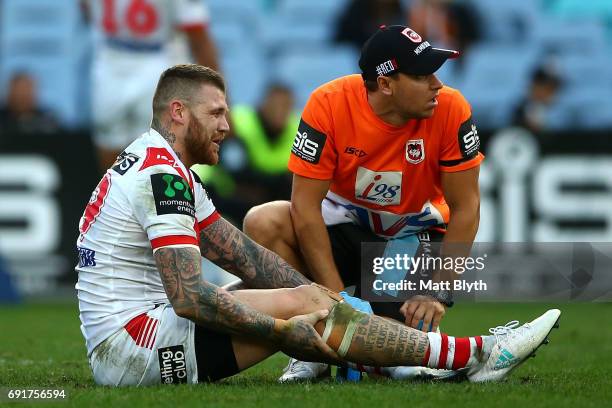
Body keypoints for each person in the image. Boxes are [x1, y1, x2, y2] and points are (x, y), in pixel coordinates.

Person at [75, 63, 559, 386]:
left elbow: (247, 257)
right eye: (216, 113)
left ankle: (422, 359)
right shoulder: (162, 176)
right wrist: (283, 329)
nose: (228, 125)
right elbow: (189, 297)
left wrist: (331, 302)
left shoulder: (162, 165)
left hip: (137, 340)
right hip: (135, 352)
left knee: (311, 300)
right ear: (178, 113)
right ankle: (474, 355)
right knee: (305, 306)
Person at [243, 25, 483, 381]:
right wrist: (336, 302)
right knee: (262, 222)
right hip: (343, 229)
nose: (437, 84)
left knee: (398, 355)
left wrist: (438, 289)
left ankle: (358, 339)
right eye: (422, 75)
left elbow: (467, 207)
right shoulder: (329, 103)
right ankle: (312, 343)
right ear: (386, 84)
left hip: (410, 239)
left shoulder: (452, 108)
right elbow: (304, 207)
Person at [82, 0, 220, 173]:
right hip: (150, 58)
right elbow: (198, 36)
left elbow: (86, 11)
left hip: (116, 60)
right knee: (150, 152)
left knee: (131, 150)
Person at [0, 72, 60, 138]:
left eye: (26, 91)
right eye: (18, 91)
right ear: (9, 92)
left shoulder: (47, 119)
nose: (22, 96)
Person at [512, 63, 562, 134]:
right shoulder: (519, 112)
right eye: (548, 88)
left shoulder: (557, 112)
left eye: (554, 89)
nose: (552, 94)